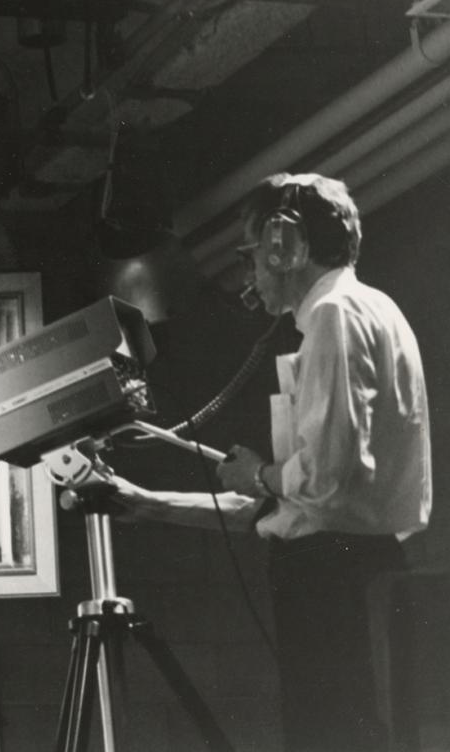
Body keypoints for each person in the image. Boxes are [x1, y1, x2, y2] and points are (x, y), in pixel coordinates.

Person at [105, 172, 431, 752]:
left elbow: (322, 478)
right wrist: (147, 502)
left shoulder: (334, 316)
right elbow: (290, 500)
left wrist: (258, 472)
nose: (250, 269)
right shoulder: (371, 309)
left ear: (285, 245)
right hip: (355, 571)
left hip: (329, 579)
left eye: (254, 252)